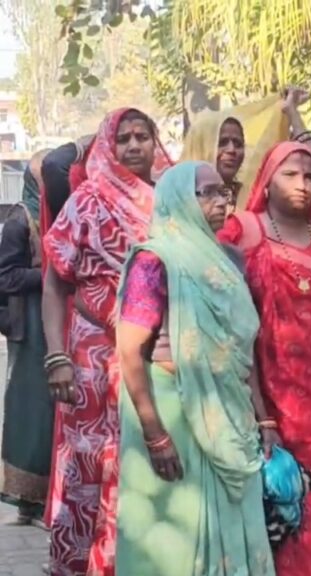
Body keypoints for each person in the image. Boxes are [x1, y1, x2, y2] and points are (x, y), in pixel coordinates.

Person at [217, 141, 311, 576]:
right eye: (290, 174)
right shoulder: (241, 231)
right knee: (266, 492)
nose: (301, 184)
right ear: (266, 182)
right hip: (257, 388)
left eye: (309, 176)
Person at [114, 161, 274, 575]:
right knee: (173, 540)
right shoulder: (155, 260)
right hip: (172, 410)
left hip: (229, 410)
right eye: (208, 193)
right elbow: (130, 350)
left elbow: (241, 347)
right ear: (179, 199)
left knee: (233, 525)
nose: (222, 202)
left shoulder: (229, 261)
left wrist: (264, 418)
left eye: (225, 192)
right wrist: (154, 434)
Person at [42, 108, 171, 576]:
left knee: (145, 459)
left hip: (154, 355)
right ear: (107, 146)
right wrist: (56, 357)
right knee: (89, 463)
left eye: (143, 136)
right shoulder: (88, 200)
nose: (134, 146)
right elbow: (54, 282)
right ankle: (78, 565)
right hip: (92, 356)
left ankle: (131, 562)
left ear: (156, 143)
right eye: (124, 138)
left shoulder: (171, 202)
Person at [0, 158, 52, 527]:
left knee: (51, 413)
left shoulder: (57, 212)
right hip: (29, 330)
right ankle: (26, 500)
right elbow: (6, 278)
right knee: (30, 413)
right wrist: (48, 274)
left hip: (52, 326)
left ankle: (47, 497)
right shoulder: (20, 221)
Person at [180, 113, 248, 203]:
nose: (232, 150)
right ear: (201, 147)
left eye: (238, 144)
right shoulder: (179, 197)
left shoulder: (251, 197)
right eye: (221, 143)